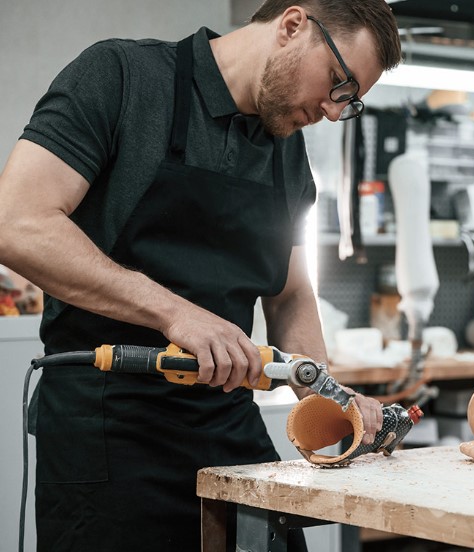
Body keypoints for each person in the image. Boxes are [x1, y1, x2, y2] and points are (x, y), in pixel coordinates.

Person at [0, 0, 401, 550]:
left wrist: (325, 398)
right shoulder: (121, 77)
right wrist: (175, 313)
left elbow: (290, 294)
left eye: (349, 102)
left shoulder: (286, 152)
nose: (334, 112)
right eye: (338, 84)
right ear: (291, 25)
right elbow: (17, 223)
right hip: (106, 428)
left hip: (223, 424)